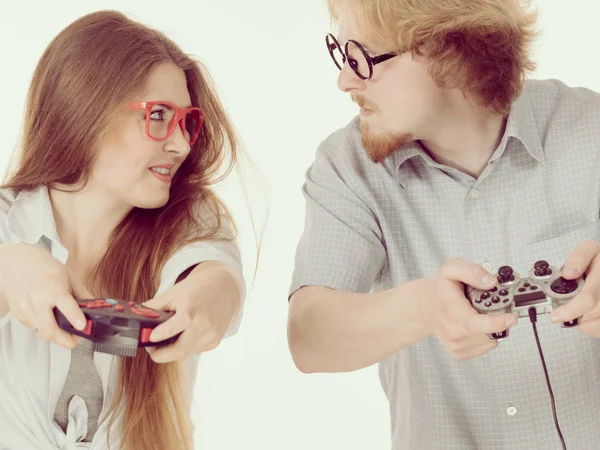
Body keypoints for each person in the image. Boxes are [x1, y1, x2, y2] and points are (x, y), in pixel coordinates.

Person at [287, 1, 600, 449]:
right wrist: (422, 308)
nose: (344, 79)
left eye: (362, 57)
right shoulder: (346, 169)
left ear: (449, 51)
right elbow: (308, 339)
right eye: (342, 53)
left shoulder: (592, 128)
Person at [0, 10, 246, 450]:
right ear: (86, 108)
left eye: (186, 121)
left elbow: (216, 278)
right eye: (157, 116)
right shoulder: (6, 220)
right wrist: (8, 266)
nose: (181, 144)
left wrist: (208, 301)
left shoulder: (190, 220)